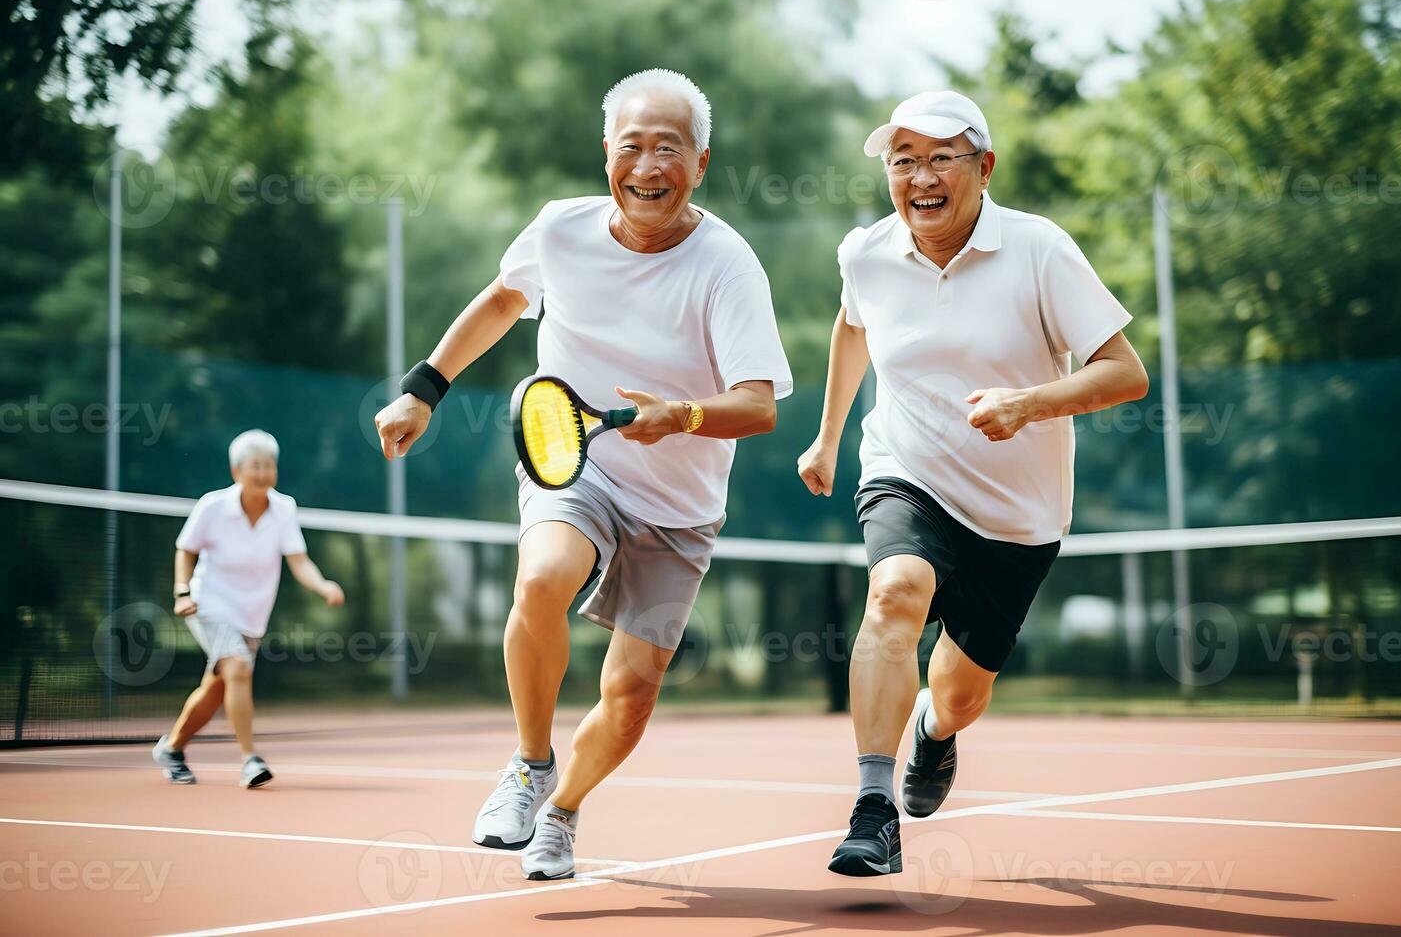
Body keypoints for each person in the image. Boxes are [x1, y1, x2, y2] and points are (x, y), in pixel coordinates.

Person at [373, 68, 791, 881]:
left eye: (668, 149)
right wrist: (423, 390)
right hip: (577, 463)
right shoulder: (560, 231)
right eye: (631, 146)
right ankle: (530, 765)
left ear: (700, 163)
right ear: (607, 154)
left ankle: (561, 812)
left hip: (680, 504)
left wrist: (683, 415)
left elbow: (759, 405)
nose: (647, 166)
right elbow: (502, 299)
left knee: (631, 696)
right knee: (542, 580)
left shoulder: (727, 264)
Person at [797, 91, 1149, 876]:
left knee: (958, 692)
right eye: (902, 161)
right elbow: (853, 324)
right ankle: (873, 809)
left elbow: (1127, 374)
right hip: (906, 470)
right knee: (893, 594)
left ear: (983, 168)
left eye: (939, 159)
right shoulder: (866, 252)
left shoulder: (1040, 249)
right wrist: (826, 438)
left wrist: (1031, 403)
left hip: (1019, 514)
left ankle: (934, 731)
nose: (919, 177)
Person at [153, 429, 345, 788]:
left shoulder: (284, 508)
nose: (263, 472)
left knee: (218, 688)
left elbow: (299, 560)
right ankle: (248, 759)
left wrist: (323, 585)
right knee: (238, 668)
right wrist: (182, 592)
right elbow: (186, 548)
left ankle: (173, 748)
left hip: (251, 615)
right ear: (236, 471)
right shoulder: (212, 506)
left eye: (269, 465)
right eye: (255, 465)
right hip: (208, 605)